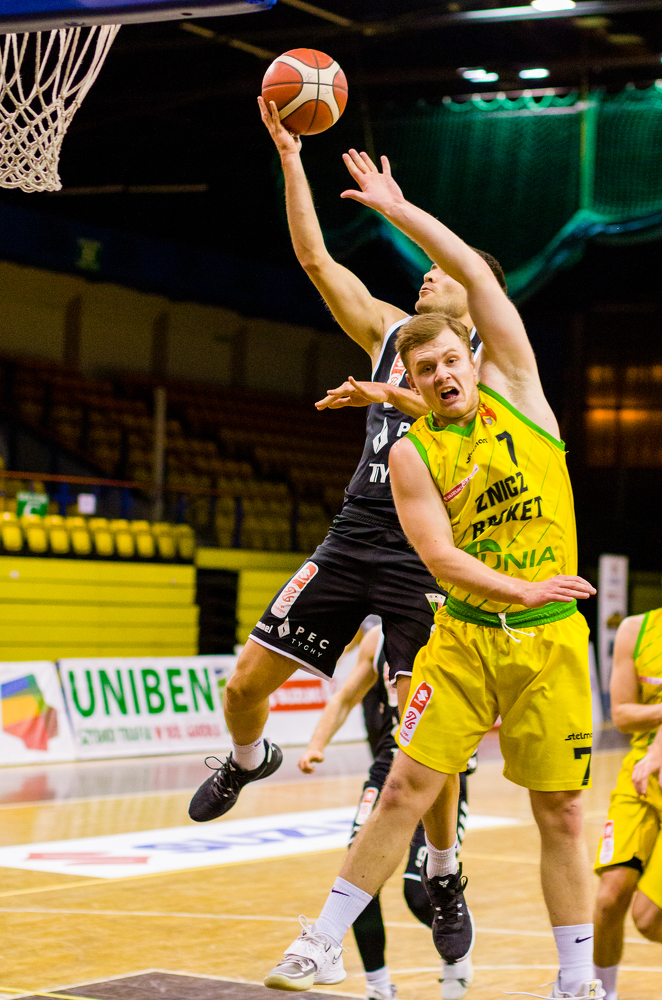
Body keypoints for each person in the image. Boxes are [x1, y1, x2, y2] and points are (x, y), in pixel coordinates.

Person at [264, 150, 601, 1000]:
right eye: (422, 371)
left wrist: (396, 209)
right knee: (403, 787)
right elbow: (442, 560)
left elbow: (475, 280)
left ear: (471, 355)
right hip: (466, 637)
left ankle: (575, 981)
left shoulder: (520, 391)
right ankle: (321, 942)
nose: (441, 375)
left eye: (450, 360)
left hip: (548, 646)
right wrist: (519, 589)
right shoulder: (414, 453)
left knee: (561, 811)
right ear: (410, 379)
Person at [189, 95, 504, 918]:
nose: (426, 273)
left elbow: (465, 416)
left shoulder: (495, 365)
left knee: (418, 732)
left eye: (443, 269)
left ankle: (442, 866)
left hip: (432, 559)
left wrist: (391, 399)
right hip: (353, 534)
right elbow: (316, 259)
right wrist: (291, 159)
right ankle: (249, 758)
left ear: (476, 292)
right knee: (243, 685)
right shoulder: (391, 335)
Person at [298, 621, 473, 1000]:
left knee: (418, 892)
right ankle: (378, 987)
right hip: (386, 770)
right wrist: (316, 744)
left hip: (439, 769)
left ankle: (456, 949)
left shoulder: (456, 628)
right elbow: (345, 698)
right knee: (361, 880)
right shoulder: (377, 640)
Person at [593, 607, 662, 1000]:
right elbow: (621, 715)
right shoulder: (636, 630)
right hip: (640, 778)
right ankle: (602, 993)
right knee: (609, 899)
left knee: (649, 920)